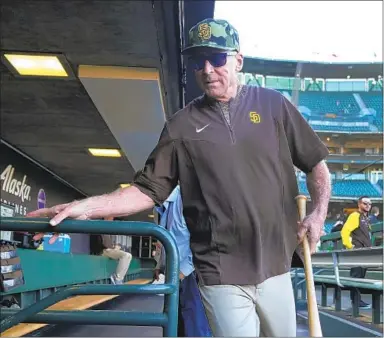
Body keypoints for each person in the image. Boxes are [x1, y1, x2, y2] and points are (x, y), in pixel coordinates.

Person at [28, 18, 331, 337]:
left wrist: (319, 214)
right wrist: (83, 208)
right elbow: (146, 191)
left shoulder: (274, 106)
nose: (207, 69)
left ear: (238, 60)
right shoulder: (180, 127)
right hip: (220, 272)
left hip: (276, 267)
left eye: (216, 58)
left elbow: (317, 166)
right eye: (197, 61)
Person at [153, 185, 212, 337]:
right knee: (175, 325)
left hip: (193, 273)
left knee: (195, 328)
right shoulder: (161, 205)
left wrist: (182, 271)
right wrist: (161, 264)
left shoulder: (188, 196)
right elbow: (168, 237)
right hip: (175, 273)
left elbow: (205, 240)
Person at [341, 196, 372, 309]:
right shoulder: (355, 216)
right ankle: (356, 301)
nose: (368, 205)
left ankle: (357, 300)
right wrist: (350, 245)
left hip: (364, 252)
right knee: (356, 276)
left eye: (369, 204)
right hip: (357, 250)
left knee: (360, 276)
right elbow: (345, 231)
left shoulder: (365, 218)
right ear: (359, 204)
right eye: (365, 203)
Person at [90, 216, 133, 285]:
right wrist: (113, 248)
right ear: (105, 217)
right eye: (111, 217)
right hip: (103, 251)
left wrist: (114, 247)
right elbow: (99, 244)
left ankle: (119, 278)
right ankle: (117, 278)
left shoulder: (108, 228)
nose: (112, 219)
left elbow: (108, 244)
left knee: (129, 256)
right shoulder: (100, 226)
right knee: (126, 255)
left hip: (108, 250)